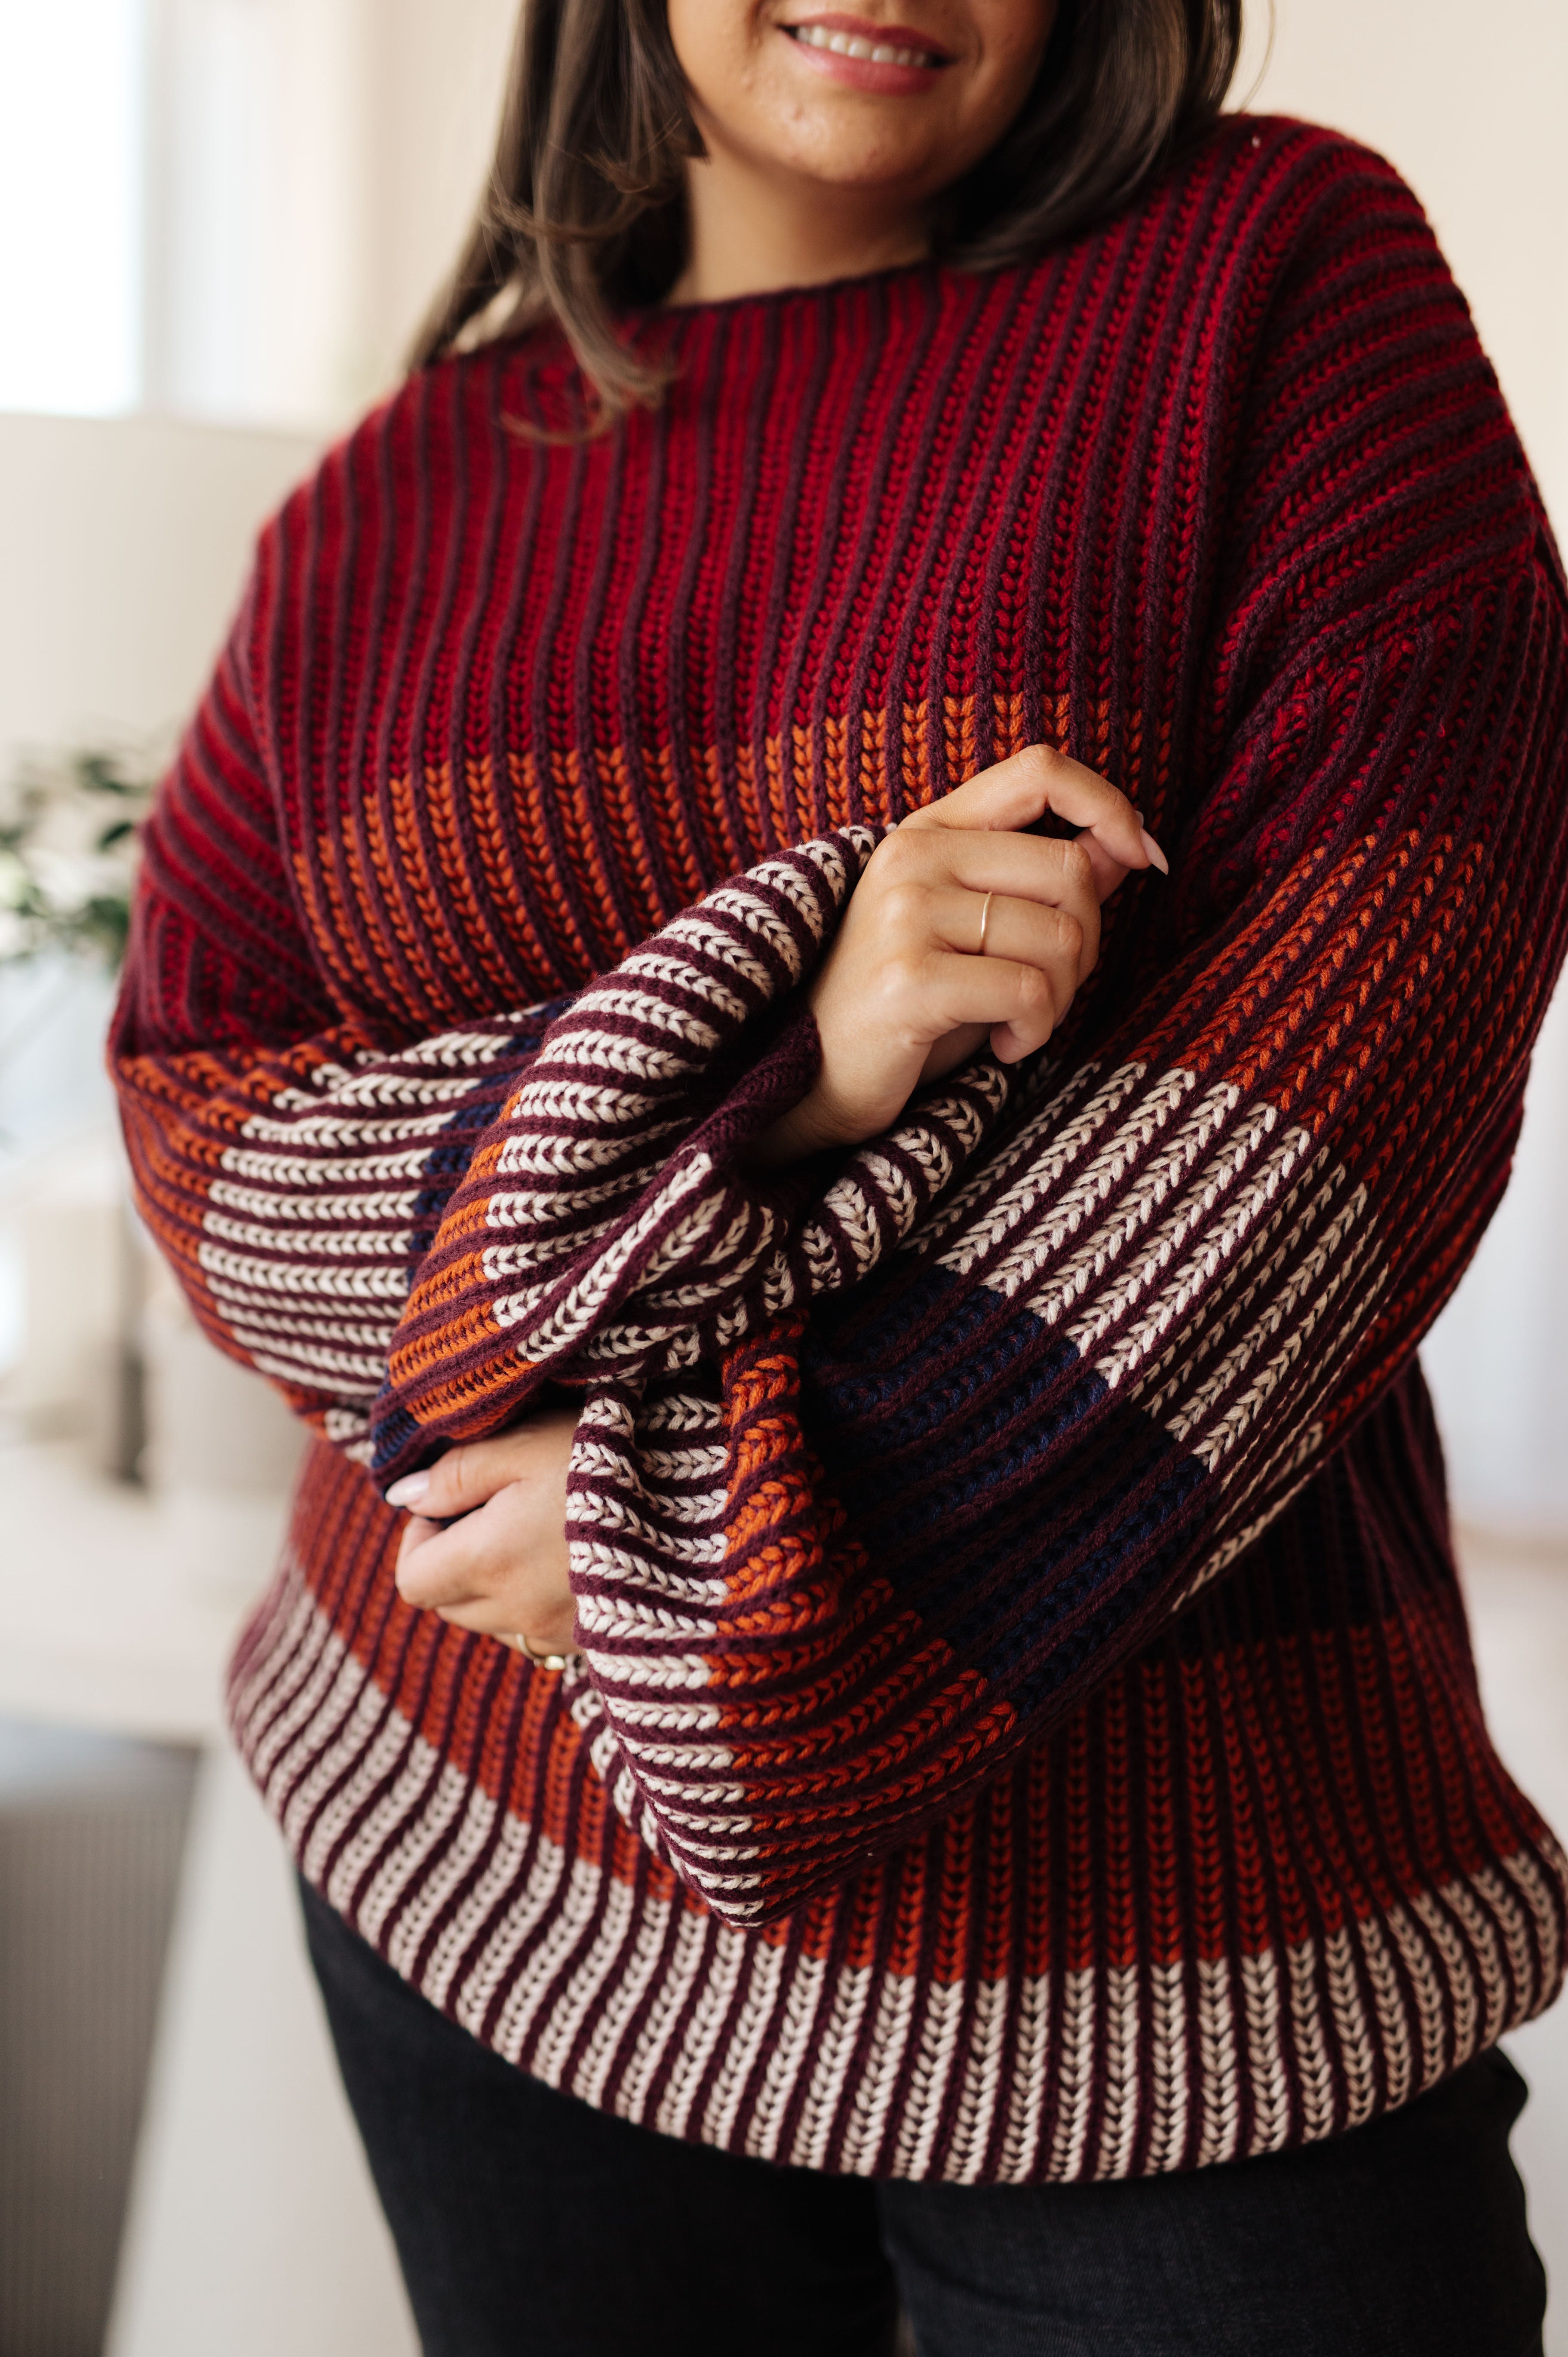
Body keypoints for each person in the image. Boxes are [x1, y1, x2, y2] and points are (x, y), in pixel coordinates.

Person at [111, 0, 1567, 2347]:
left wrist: (678, 1554)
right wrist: (772, 1057)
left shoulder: (1271, 277)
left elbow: (1360, 1076)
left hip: (1159, 1952)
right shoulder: (382, 499)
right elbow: (207, 1108)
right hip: (476, 1852)